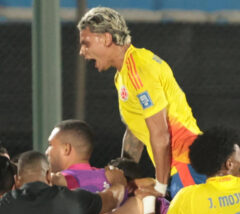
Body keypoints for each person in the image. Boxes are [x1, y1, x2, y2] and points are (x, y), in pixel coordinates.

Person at [77, 6, 204, 199]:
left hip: (186, 164)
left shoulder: (138, 69)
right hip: (180, 166)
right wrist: (124, 172)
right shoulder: (124, 74)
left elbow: (160, 134)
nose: (82, 51)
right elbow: (136, 131)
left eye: (86, 43)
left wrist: (160, 187)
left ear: (106, 38)